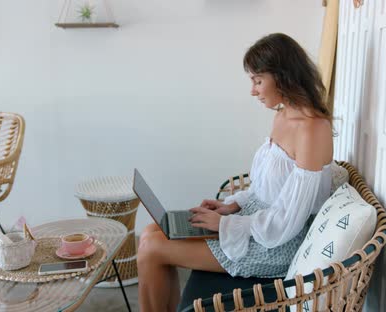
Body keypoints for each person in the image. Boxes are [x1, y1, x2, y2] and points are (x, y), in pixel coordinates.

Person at [136, 33, 334, 312]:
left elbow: (289, 221)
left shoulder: (312, 129)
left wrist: (226, 225)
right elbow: (264, 187)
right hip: (253, 221)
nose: (253, 90)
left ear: (282, 76)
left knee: (151, 249)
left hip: (277, 243)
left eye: (257, 80)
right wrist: (231, 206)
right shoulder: (282, 115)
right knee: (152, 231)